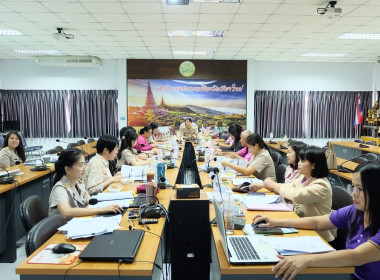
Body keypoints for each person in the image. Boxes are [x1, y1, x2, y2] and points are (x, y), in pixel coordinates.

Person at [253, 162, 380, 280]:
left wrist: (306, 260)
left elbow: (357, 256)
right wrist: (277, 222)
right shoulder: (355, 210)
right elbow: (318, 222)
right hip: (345, 273)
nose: (354, 193)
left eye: (359, 189)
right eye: (352, 187)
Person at [255, 146, 334, 242]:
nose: (299, 163)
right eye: (299, 160)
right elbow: (287, 187)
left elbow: (296, 195)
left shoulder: (322, 185)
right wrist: (264, 185)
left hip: (317, 235)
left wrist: (272, 184)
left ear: (313, 165)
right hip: (300, 225)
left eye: (303, 161)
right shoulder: (303, 177)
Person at [48, 148, 122, 220]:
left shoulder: (79, 182)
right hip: (62, 229)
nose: (84, 168)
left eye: (84, 164)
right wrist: (101, 210)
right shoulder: (59, 188)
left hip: (79, 221)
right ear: (68, 169)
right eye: (81, 165)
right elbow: (66, 212)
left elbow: (88, 200)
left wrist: (107, 205)